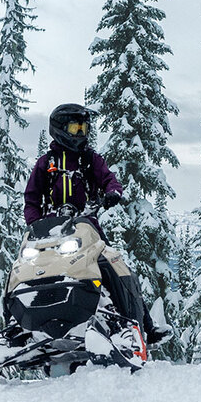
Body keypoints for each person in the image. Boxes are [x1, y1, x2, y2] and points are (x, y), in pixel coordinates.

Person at [22, 103, 157, 338]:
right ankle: (13, 327)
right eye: (75, 128)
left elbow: (109, 179)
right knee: (23, 270)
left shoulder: (90, 159)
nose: (80, 133)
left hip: (86, 226)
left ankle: (143, 325)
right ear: (60, 129)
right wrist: (34, 225)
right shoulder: (46, 163)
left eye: (83, 128)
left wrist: (113, 192)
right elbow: (31, 198)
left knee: (115, 266)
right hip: (50, 231)